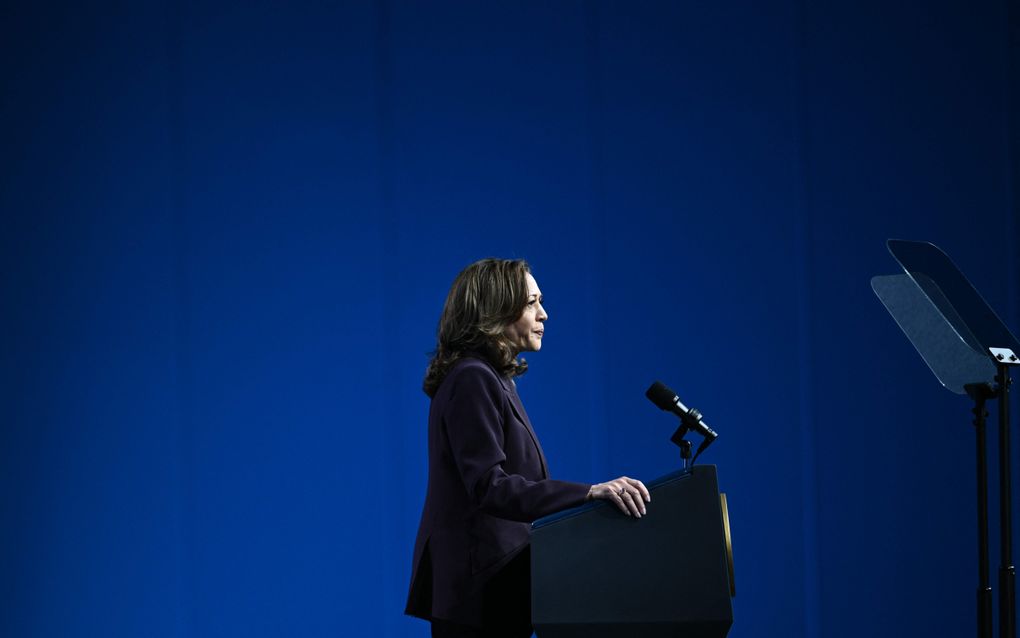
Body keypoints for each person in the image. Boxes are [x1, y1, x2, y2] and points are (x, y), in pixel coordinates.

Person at [404, 258, 651, 638]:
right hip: (479, 595)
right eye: (532, 302)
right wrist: (588, 493)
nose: (544, 314)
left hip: (499, 587)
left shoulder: (493, 379)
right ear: (496, 309)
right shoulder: (472, 378)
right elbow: (490, 486)